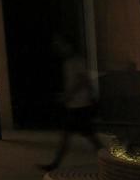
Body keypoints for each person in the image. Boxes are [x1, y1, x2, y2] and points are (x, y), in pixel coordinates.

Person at [44, 36, 102, 171]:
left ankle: (55, 163)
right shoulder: (71, 62)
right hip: (77, 105)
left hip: (79, 105)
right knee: (82, 136)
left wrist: (68, 95)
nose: (59, 49)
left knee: (84, 136)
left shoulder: (75, 61)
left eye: (61, 45)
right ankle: (55, 163)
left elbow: (82, 81)